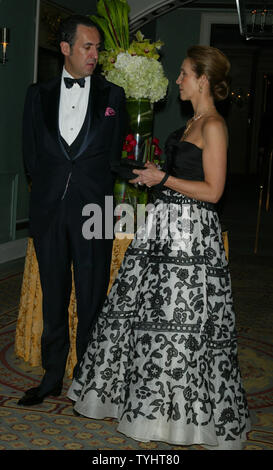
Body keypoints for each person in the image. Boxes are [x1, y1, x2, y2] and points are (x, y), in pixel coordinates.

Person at [67, 45, 251, 449]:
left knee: (180, 326)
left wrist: (162, 179)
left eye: (184, 73)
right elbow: (174, 175)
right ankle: (149, 406)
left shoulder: (214, 126)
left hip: (190, 239)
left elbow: (214, 191)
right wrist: (149, 176)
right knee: (146, 320)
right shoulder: (190, 124)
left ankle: (181, 420)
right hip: (162, 228)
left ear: (203, 78)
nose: (178, 80)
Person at [18, 15, 126, 406]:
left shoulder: (114, 96)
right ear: (65, 48)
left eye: (98, 48)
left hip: (94, 210)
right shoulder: (37, 95)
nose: (95, 55)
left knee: (92, 295)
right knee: (53, 297)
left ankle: (88, 379)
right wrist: (48, 192)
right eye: (88, 46)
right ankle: (50, 377)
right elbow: (31, 155)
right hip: (49, 210)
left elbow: (114, 159)